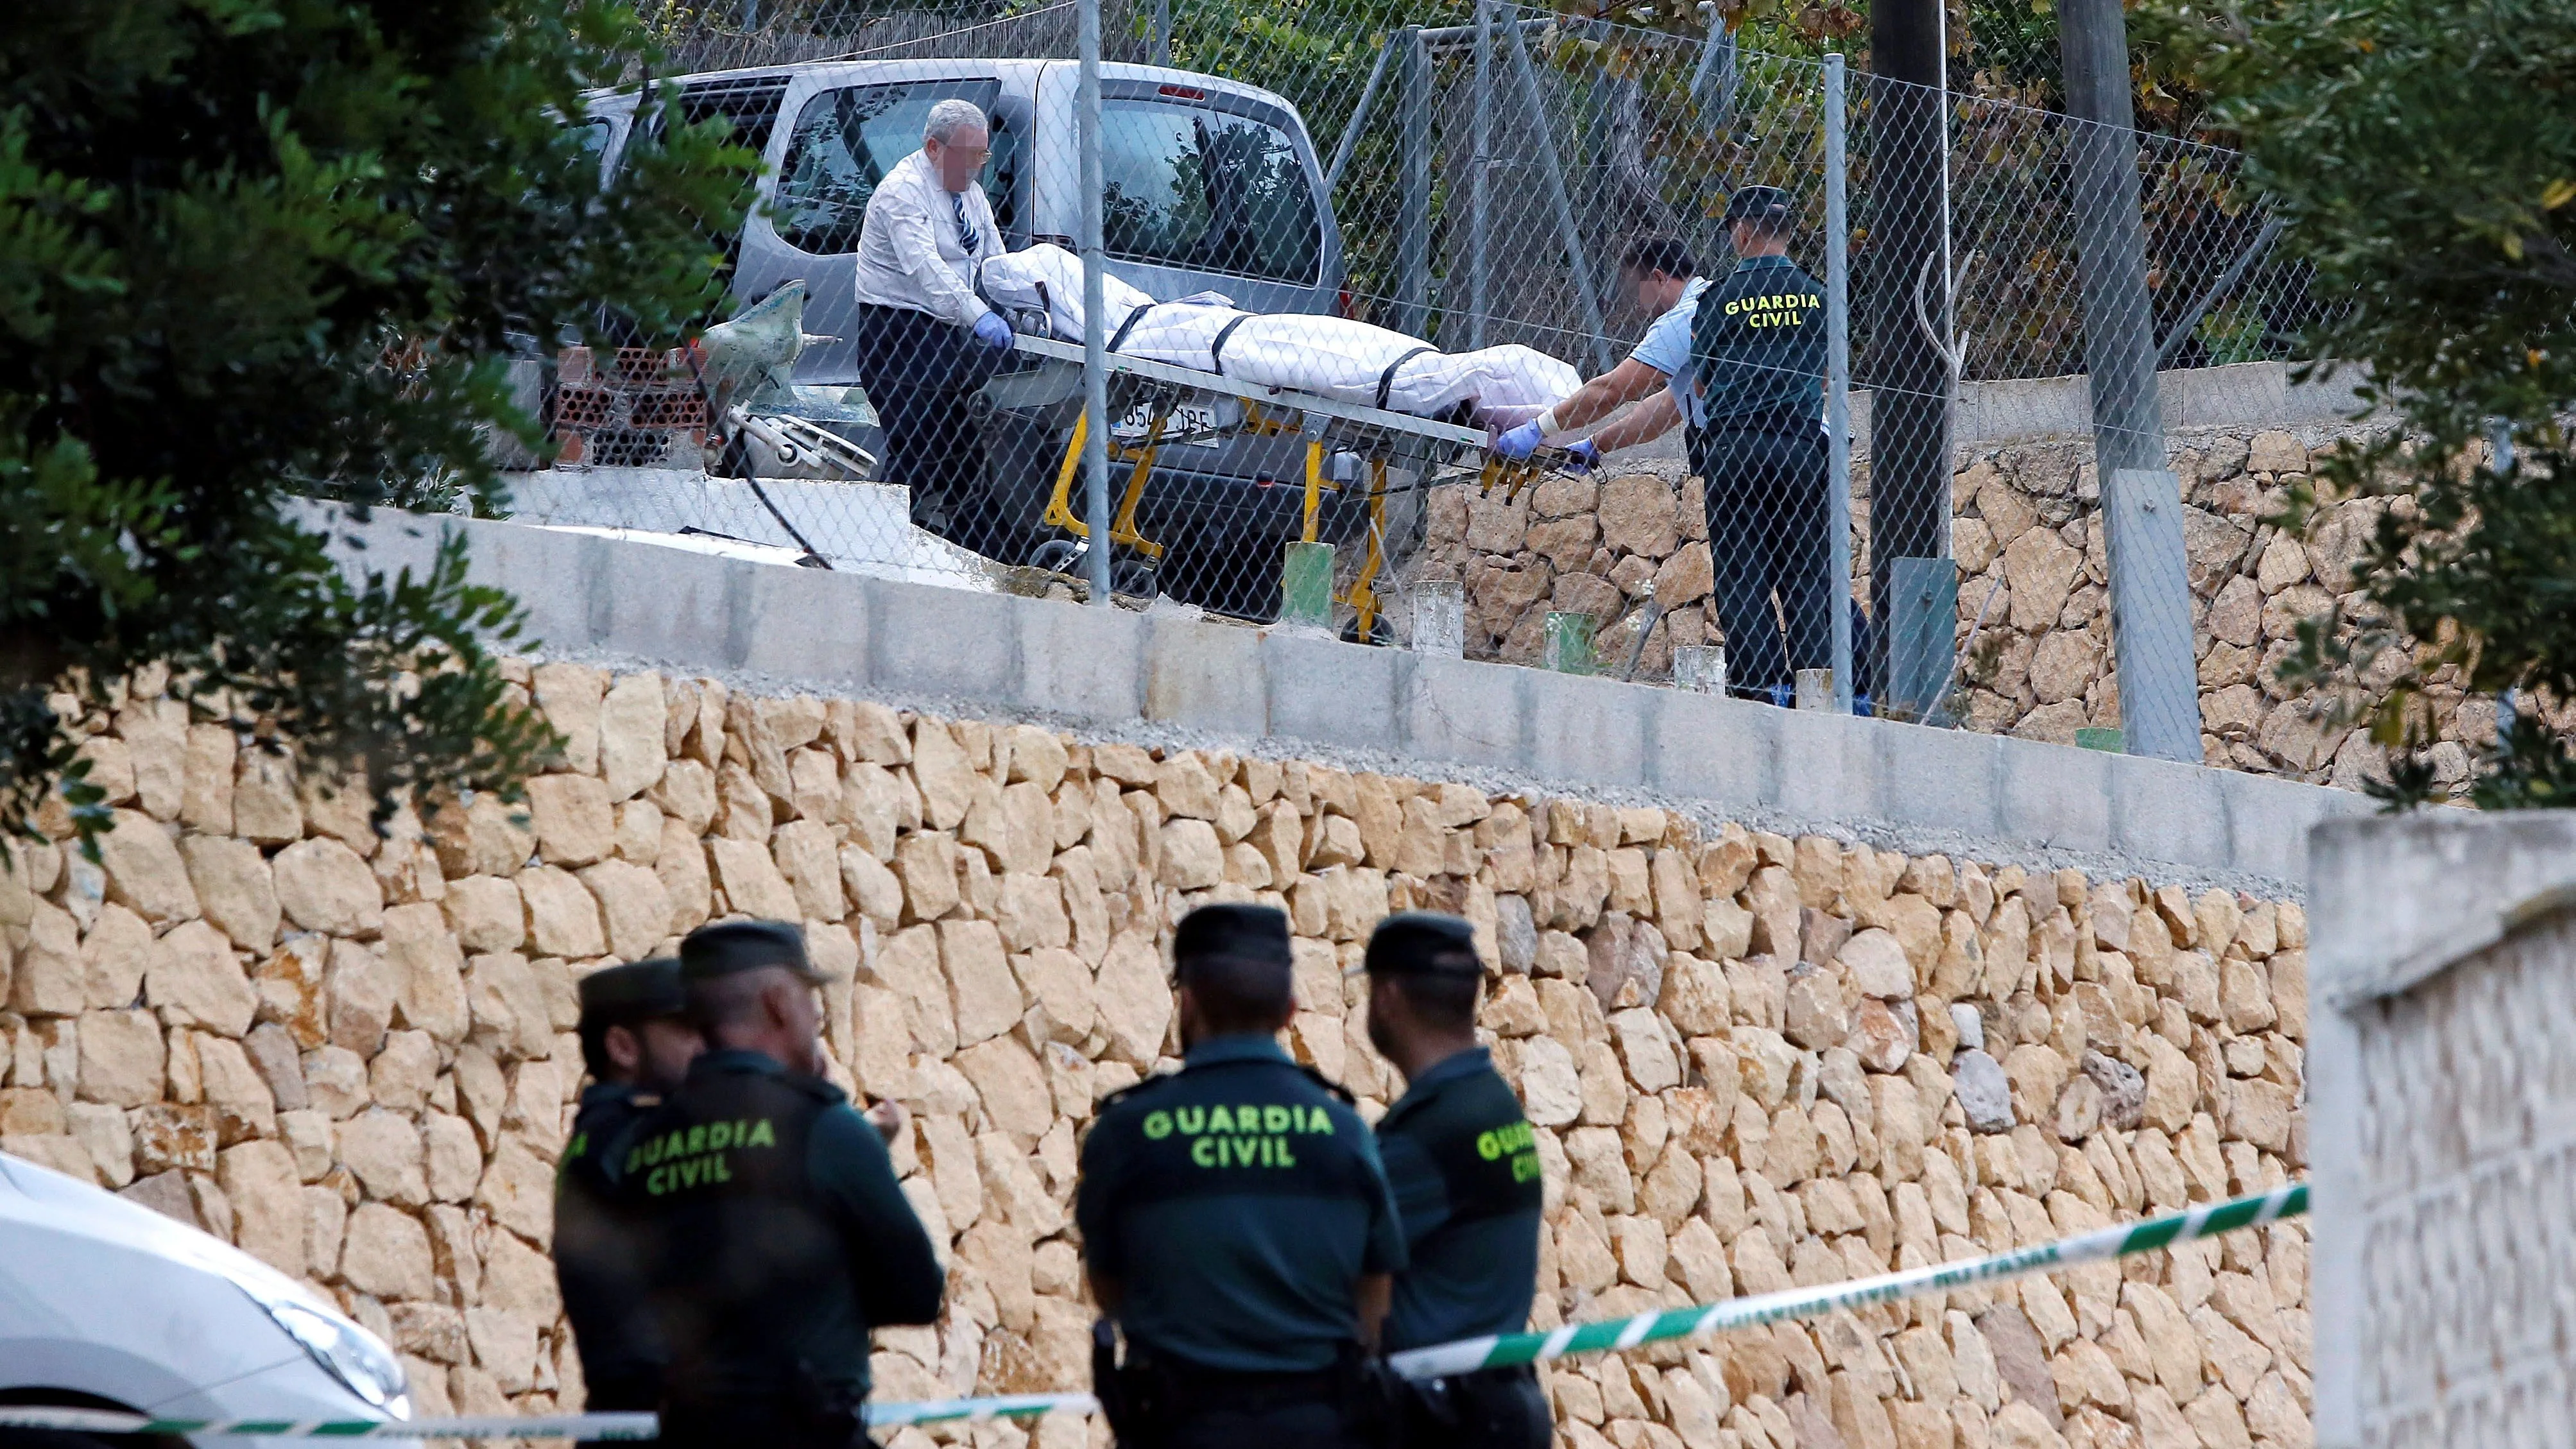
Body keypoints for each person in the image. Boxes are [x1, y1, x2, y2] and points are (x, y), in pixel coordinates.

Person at [1077, 903, 1409, 1449]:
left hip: (1180, 1427)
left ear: (1188, 1001)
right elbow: (1376, 1295)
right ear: (1290, 1011)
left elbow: (1110, 1287)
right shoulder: (1344, 1131)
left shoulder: (1127, 1133)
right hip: (1320, 1425)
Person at [625, 920, 942, 1449]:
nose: (816, 1022)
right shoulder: (823, 1127)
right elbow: (916, 1293)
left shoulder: (641, 1141)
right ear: (777, 1003)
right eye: (809, 1006)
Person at [1356, 914, 1550, 1449]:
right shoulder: (1492, 1103)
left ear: (1388, 998)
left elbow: (1336, 1256)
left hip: (1439, 1420)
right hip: (1496, 1404)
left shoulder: (1429, 1134)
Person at [1686, 185, 1832, 702]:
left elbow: (1701, 382)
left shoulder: (1720, 296)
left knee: (1743, 578)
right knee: (1808, 577)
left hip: (1736, 448)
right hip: (1799, 447)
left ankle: (1758, 688)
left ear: (1743, 231)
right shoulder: (1818, 295)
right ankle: (1816, 689)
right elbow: (1824, 374)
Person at [852, 97, 1015, 536]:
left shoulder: (972, 195)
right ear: (933, 148)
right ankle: (883, 533)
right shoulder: (901, 192)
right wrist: (980, 315)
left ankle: (949, 530)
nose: (976, 167)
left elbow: (994, 261)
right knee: (916, 444)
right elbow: (928, 270)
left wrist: (1021, 304)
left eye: (982, 155)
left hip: (949, 334)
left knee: (967, 438)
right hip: (898, 333)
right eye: (967, 156)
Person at [554, 959, 704, 1434]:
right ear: (622, 1046)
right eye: (685, 1029)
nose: (706, 1044)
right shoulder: (634, 1136)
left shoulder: (608, 1132)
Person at [1488, 235, 1709, 470]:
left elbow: (1610, 391)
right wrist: (1596, 444)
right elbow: (1668, 406)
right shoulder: (1714, 300)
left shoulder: (1682, 318)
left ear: (1658, 278)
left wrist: (1538, 428)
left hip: (1731, 450)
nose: (1637, 301)